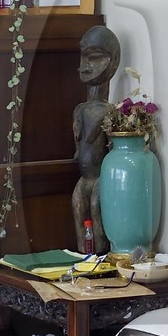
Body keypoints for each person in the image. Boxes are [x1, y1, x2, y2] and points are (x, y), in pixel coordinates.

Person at [72, 25, 122, 254]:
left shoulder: (110, 111)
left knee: (96, 210)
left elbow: (109, 146)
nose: (83, 66)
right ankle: (83, 257)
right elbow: (79, 141)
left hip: (100, 177)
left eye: (93, 57)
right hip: (84, 177)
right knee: (78, 208)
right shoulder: (80, 109)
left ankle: (100, 258)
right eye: (83, 57)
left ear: (113, 61)